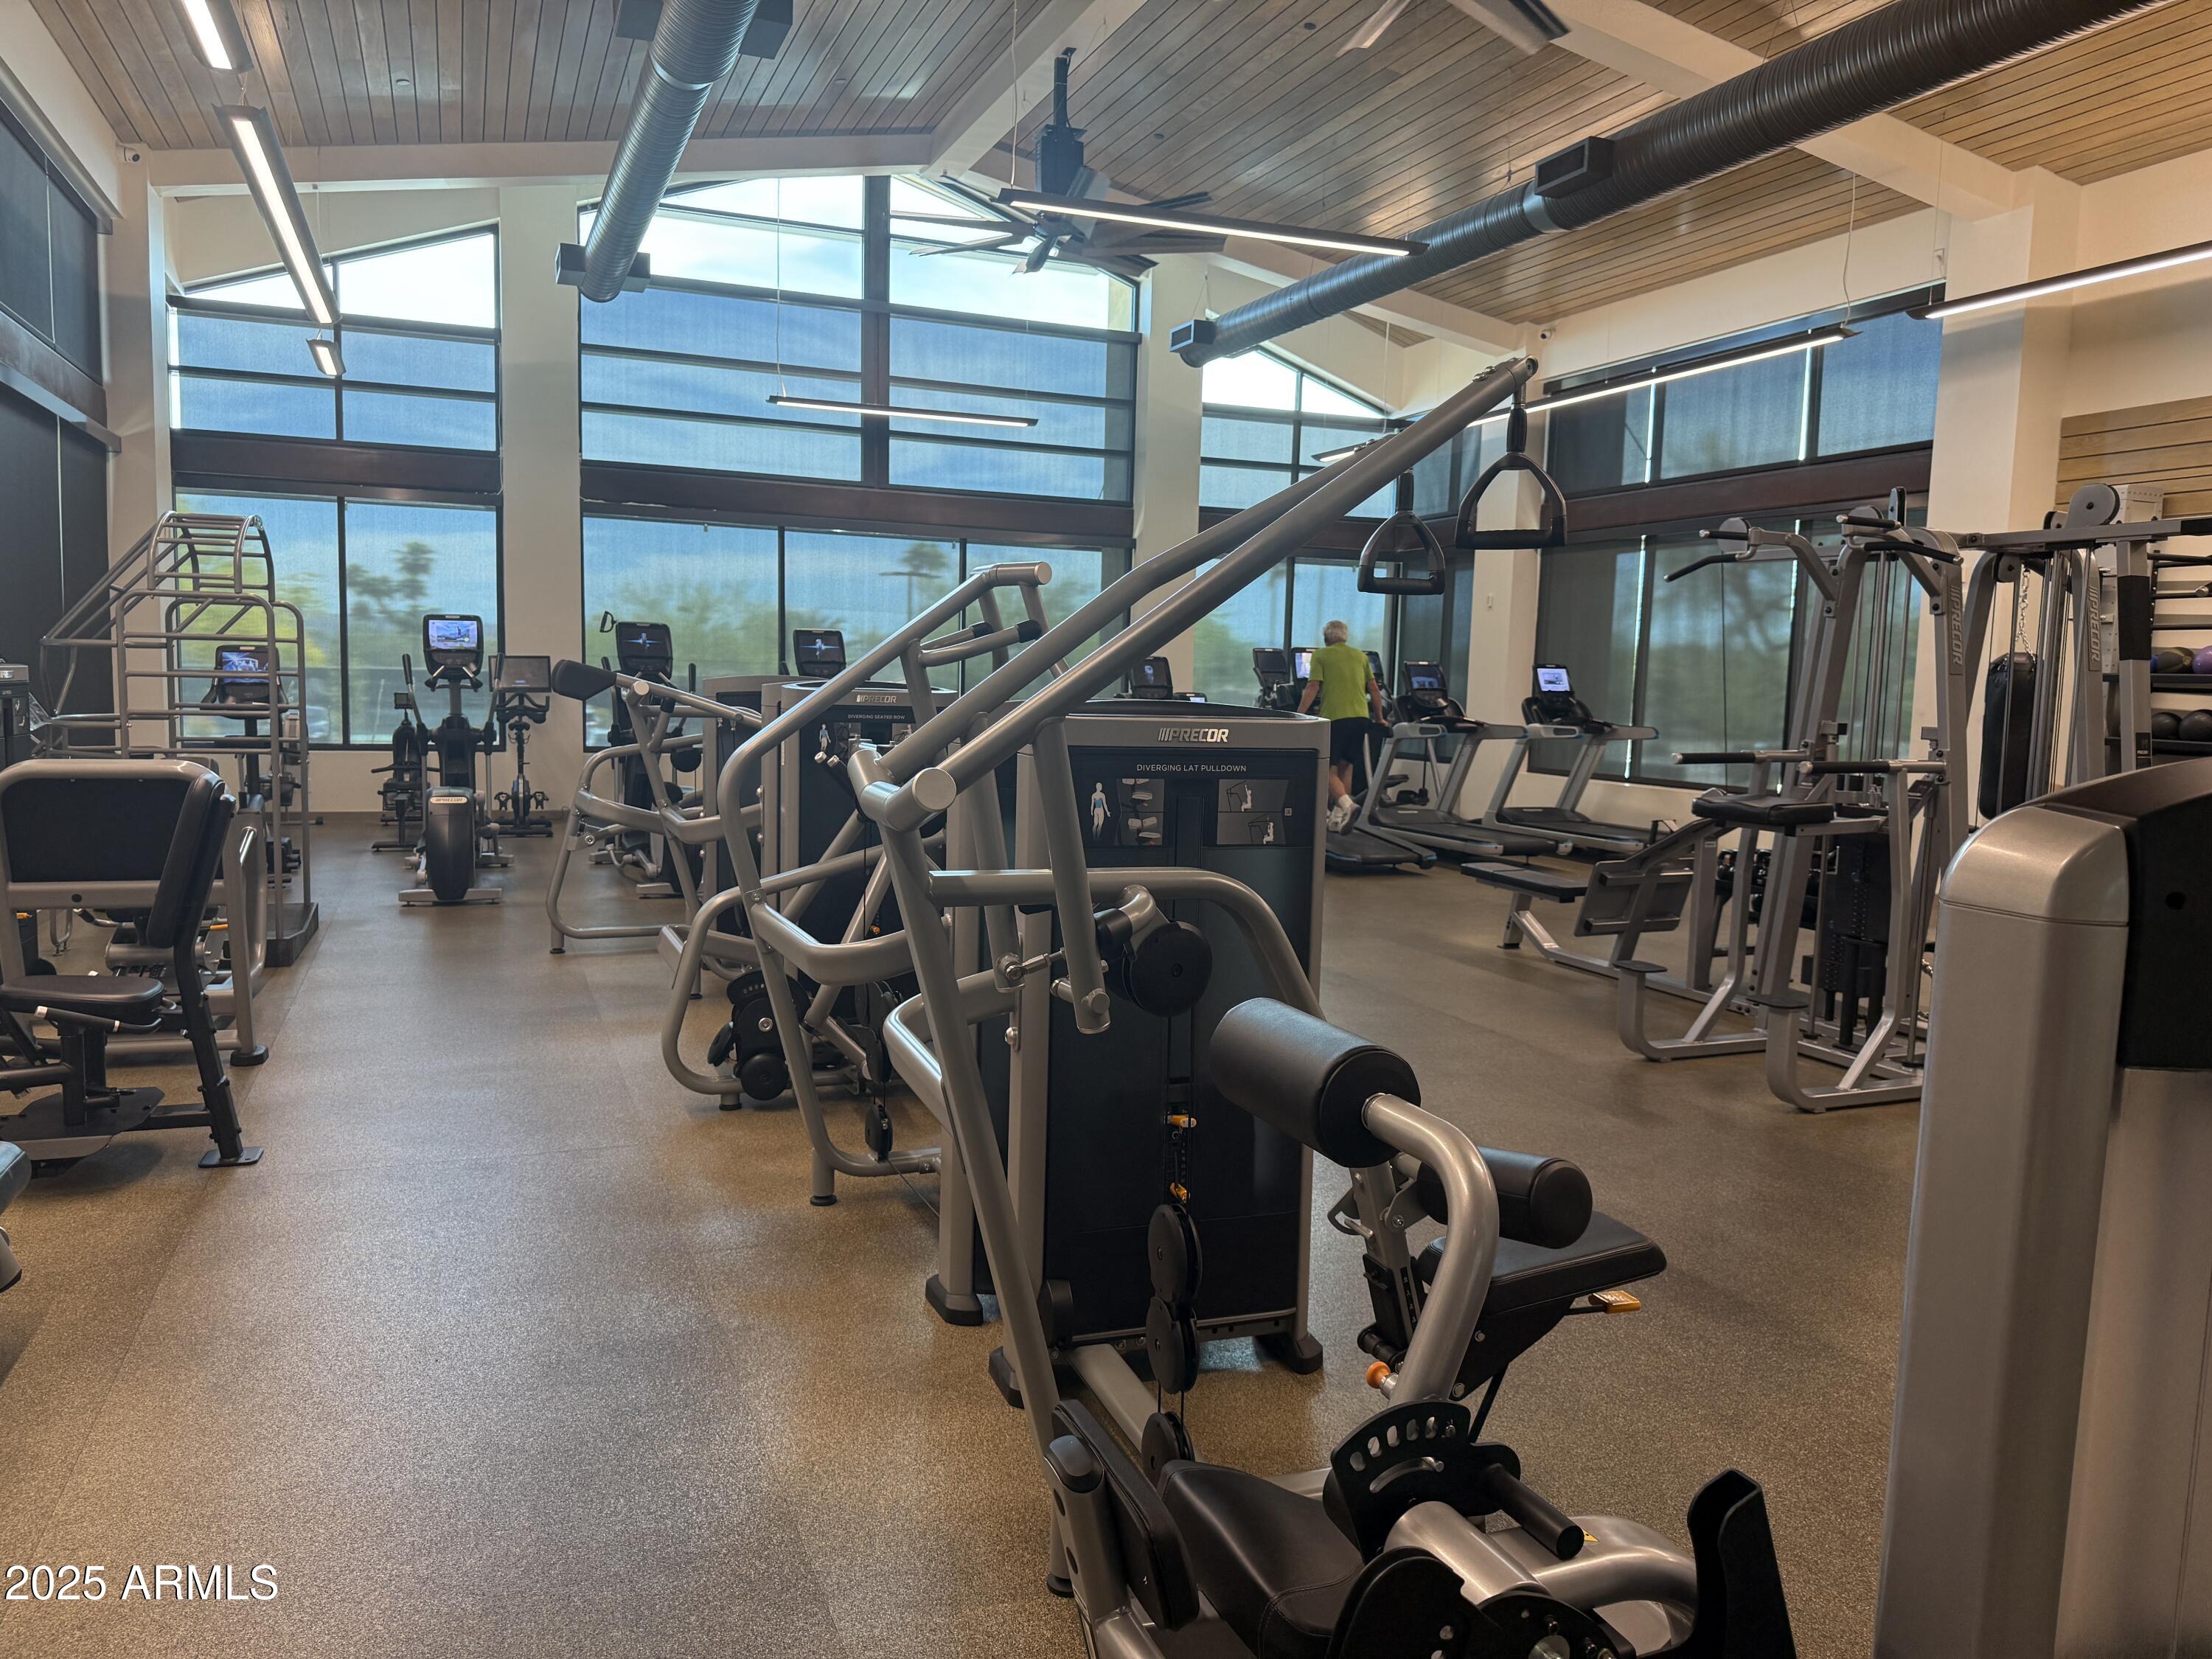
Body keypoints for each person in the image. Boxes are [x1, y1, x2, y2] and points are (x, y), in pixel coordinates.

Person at [1297, 619, 1387, 832]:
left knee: (1325, 768)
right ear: (1345, 636)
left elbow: (1312, 686)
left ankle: (1348, 805)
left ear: (1326, 638)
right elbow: (1374, 689)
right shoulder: (1360, 656)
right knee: (1347, 766)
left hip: (1336, 718)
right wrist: (1381, 717)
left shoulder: (1321, 655)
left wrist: (1298, 715)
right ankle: (1339, 818)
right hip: (1361, 717)